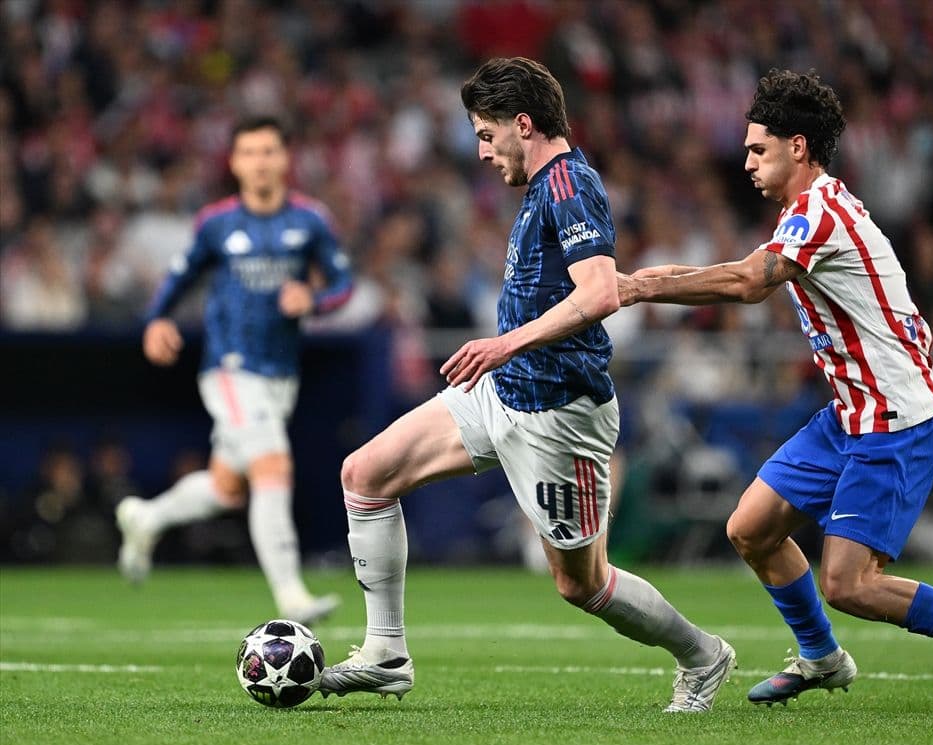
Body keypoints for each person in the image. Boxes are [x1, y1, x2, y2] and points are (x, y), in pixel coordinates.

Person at [618, 69, 933, 716]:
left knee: (848, 584)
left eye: (757, 149)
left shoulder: (820, 212)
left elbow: (748, 282)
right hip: (852, 413)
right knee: (750, 529)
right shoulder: (813, 210)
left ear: (797, 146)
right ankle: (820, 655)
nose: (746, 162)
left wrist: (644, 286)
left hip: (894, 420)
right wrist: (640, 280)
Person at [319, 57, 735, 712]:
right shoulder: (543, 186)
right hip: (504, 389)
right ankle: (386, 652)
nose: (483, 152)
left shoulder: (569, 183)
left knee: (583, 585)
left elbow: (599, 293)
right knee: (365, 474)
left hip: (558, 413)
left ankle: (703, 654)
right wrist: (505, 356)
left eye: (487, 135)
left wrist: (504, 342)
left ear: (523, 124)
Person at [115, 116, 352, 626]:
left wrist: (313, 299)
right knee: (273, 466)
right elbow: (179, 276)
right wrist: (156, 319)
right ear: (234, 163)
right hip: (229, 369)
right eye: (249, 152)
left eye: (269, 151)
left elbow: (343, 284)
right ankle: (292, 597)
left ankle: (146, 516)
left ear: (284, 158)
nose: (260, 162)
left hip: (280, 375)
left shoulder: (310, 220)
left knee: (227, 488)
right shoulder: (216, 223)